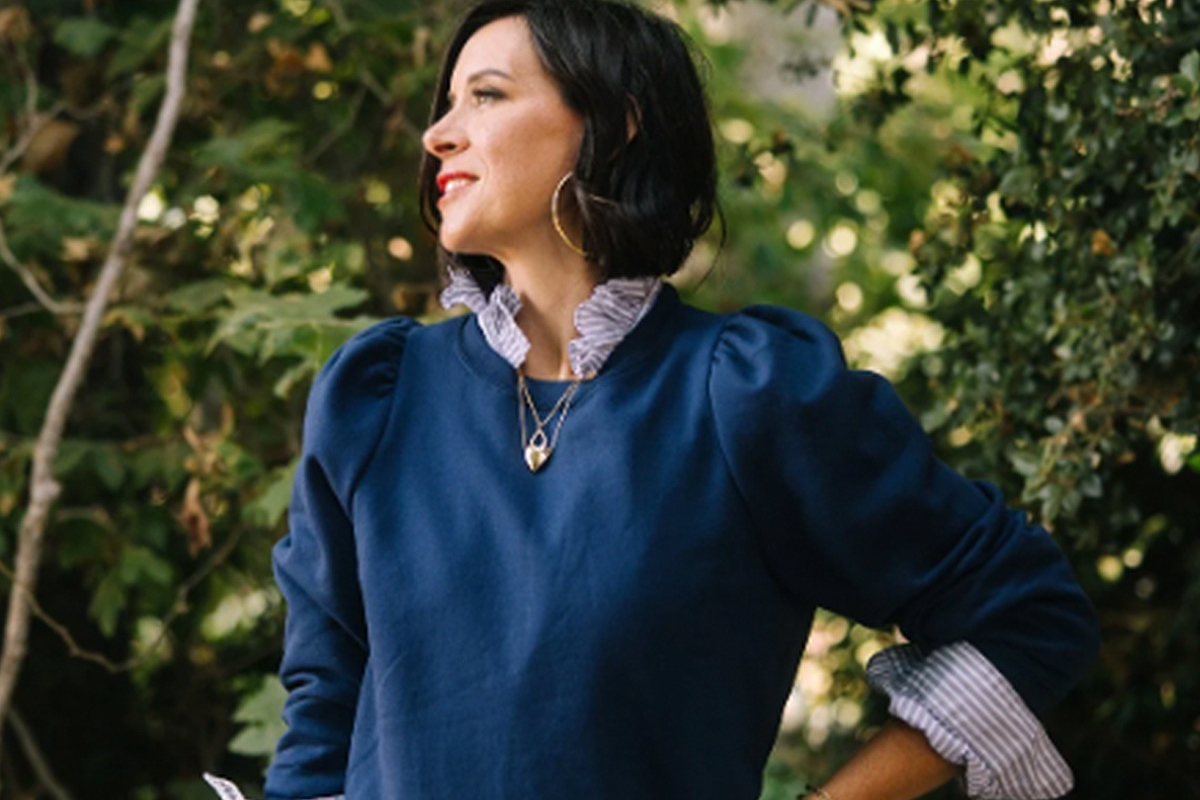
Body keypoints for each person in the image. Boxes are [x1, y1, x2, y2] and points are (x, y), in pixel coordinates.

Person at [206, 1, 1100, 798]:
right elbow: (322, 721)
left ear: (614, 125)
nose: (439, 134)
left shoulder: (750, 394)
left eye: (484, 96)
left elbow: (1029, 613)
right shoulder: (376, 398)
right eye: (446, 105)